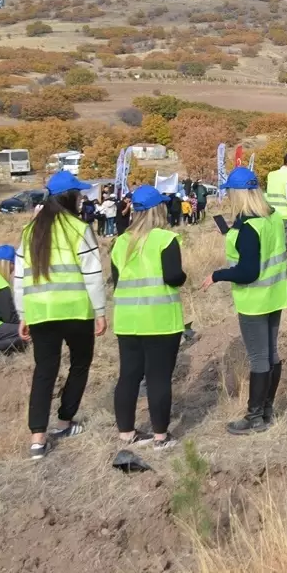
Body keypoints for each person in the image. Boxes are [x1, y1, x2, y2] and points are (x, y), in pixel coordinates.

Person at [14, 171, 107, 460]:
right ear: (70, 197)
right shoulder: (79, 228)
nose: (81, 199)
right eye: (78, 195)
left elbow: (19, 278)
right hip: (76, 310)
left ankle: (38, 439)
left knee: (44, 371)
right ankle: (65, 422)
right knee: (80, 364)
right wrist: (100, 311)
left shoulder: (31, 231)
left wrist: (23, 314)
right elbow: (92, 275)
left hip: (41, 312)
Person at [201, 167, 287, 435]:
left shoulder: (249, 228)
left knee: (259, 358)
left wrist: (217, 275)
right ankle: (267, 410)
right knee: (272, 354)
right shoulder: (271, 216)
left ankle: (254, 418)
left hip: (254, 301)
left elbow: (249, 271)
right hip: (275, 295)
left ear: (237, 193)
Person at [111, 186, 186, 450]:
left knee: (128, 376)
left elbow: (116, 281)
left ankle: (126, 433)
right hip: (161, 319)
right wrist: (183, 278)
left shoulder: (121, 242)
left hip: (127, 320)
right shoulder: (166, 239)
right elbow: (173, 277)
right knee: (158, 378)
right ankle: (160, 437)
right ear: (159, 209)